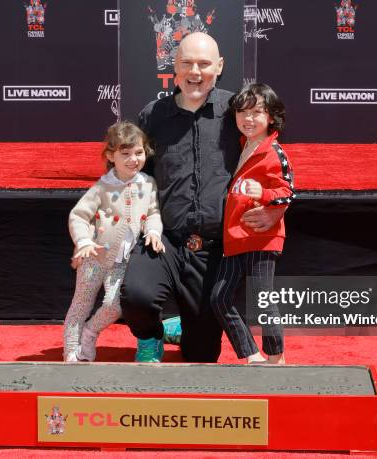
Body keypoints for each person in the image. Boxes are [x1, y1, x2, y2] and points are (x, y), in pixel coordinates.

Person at [120, 32, 286, 363]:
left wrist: (275, 210)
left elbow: (271, 163)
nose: (195, 72)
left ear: (219, 66)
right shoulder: (152, 115)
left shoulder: (237, 112)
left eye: (204, 64)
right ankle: (151, 336)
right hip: (164, 239)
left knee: (201, 354)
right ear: (175, 68)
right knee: (137, 296)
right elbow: (137, 176)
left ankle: (181, 326)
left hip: (213, 248)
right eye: (187, 63)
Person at [63, 121, 164, 362]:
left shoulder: (148, 183)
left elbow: (153, 212)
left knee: (115, 304)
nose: (133, 159)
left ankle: (90, 332)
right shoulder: (102, 187)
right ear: (111, 155)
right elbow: (79, 215)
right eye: (125, 154)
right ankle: (71, 352)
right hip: (94, 257)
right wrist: (84, 241)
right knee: (80, 305)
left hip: (122, 262)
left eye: (138, 152)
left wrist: (153, 232)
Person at [211, 83, 293, 364]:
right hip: (234, 238)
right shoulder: (241, 146)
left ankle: (276, 358)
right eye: (242, 112)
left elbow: (288, 192)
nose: (248, 119)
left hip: (261, 237)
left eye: (257, 112)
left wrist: (266, 195)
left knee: (263, 300)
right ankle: (251, 354)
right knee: (219, 298)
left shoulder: (274, 152)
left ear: (271, 117)